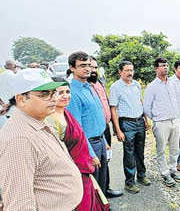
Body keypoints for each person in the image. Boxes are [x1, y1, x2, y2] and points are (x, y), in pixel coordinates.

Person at [0, 69, 83, 210]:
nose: (53, 99)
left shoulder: (38, 120)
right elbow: (20, 205)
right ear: (21, 99)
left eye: (53, 93)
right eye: (44, 95)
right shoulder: (20, 139)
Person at [45, 77, 109, 210]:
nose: (65, 96)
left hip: (83, 167)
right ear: (50, 95)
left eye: (68, 92)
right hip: (71, 172)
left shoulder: (67, 113)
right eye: (60, 93)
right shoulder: (50, 120)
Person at [66, 51, 109, 196]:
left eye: (89, 65)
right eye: (82, 65)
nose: (87, 69)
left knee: (102, 182)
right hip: (88, 145)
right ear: (72, 68)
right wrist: (90, 153)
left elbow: (96, 118)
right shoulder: (73, 93)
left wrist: (104, 140)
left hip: (100, 141)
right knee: (92, 186)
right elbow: (77, 128)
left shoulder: (89, 87)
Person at [110, 61, 151, 194]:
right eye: (127, 70)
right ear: (120, 72)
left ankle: (141, 175)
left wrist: (145, 119)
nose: (130, 73)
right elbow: (113, 109)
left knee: (140, 151)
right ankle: (129, 182)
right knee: (129, 153)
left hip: (139, 121)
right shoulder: (115, 87)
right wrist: (118, 130)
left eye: (131, 70)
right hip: (126, 123)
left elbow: (140, 102)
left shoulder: (136, 84)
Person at [144, 57, 180, 187]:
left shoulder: (172, 83)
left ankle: (173, 170)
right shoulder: (152, 86)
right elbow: (146, 107)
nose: (165, 68)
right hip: (161, 123)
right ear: (156, 68)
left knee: (174, 148)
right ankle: (165, 173)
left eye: (166, 65)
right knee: (161, 149)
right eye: (162, 65)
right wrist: (156, 118)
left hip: (175, 120)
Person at [87, 56, 123, 198]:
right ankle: (97, 197)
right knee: (95, 165)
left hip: (104, 128)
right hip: (94, 132)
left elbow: (107, 104)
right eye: (91, 67)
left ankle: (105, 189)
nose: (93, 70)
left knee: (105, 160)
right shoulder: (85, 86)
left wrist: (114, 126)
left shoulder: (99, 83)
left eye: (96, 67)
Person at [0, 60, 16, 129]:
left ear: (5, 67)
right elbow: (18, 94)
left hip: (1, 109)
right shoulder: (15, 77)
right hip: (13, 109)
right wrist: (8, 105)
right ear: (15, 67)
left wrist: (3, 104)